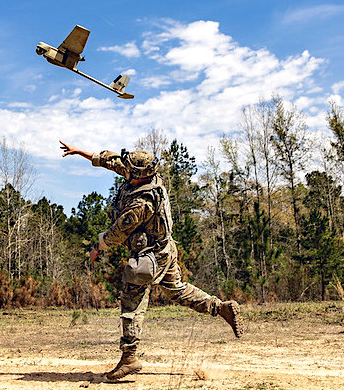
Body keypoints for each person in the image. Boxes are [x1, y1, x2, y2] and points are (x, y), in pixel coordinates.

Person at [59, 140, 245, 381]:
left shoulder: (142, 203)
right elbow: (109, 160)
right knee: (177, 290)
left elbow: (117, 232)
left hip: (151, 255)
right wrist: (79, 151)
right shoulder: (141, 175)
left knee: (131, 300)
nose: (124, 172)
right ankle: (220, 308)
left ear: (139, 176)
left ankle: (130, 358)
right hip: (166, 249)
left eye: (129, 171)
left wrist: (97, 247)